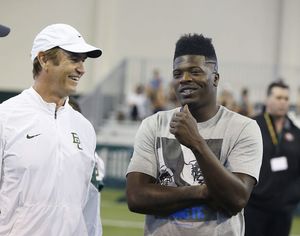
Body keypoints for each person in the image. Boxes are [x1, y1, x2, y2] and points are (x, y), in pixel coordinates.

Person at [126, 34, 263, 236]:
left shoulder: (243, 128)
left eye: (195, 71)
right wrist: (202, 191)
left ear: (215, 78)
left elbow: (235, 200)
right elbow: (136, 197)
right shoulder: (153, 124)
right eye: (177, 73)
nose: (185, 79)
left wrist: (196, 143)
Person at [0, 23, 102, 235]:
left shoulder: (84, 128)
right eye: (74, 58)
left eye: (83, 61)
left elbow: (90, 204)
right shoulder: (6, 117)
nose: (82, 69)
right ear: (44, 59)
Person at [244, 80, 300, 236]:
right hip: (254, 208)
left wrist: (294, 195)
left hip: (283, 211)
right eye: (278, 97)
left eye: (286, 98)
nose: (282, 102)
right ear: (267, 99)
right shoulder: (251, 126)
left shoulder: (296, 133)